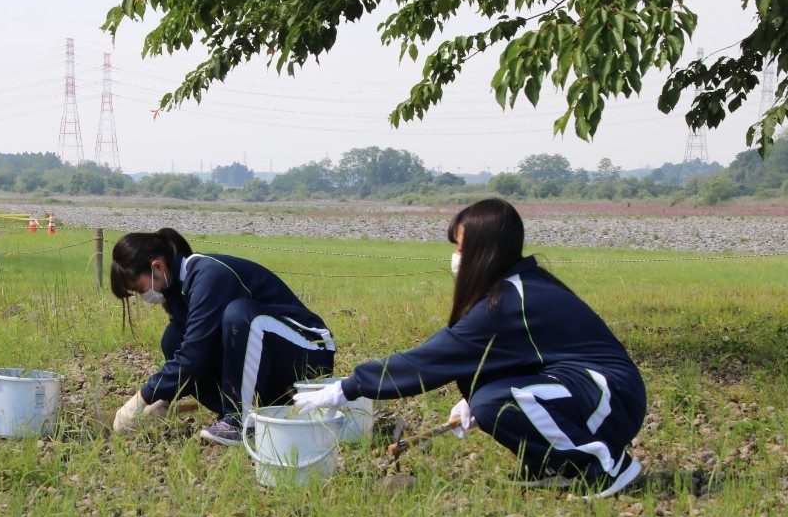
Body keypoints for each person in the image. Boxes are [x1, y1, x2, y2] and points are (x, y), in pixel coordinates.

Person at [294, 198, 646, 497]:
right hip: (586, 390)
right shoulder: (513, 289)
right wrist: (471, 399)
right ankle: (556, 465)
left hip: (609, 397)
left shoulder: (509, 301)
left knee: (496, 400)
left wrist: (347, 387)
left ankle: (603, 467)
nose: (455, 257)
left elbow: (429, 360)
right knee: (483, 393)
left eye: (461, 248)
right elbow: (508, 358)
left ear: (485, 251)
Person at [110, 228, 336, 445]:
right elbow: (192, 350)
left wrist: (141, 399)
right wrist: (164, 399)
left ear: (157, 267)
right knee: (173, 338)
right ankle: (240, 411)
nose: (144, 297)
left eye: (140, 289)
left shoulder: (209, 275)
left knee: (241, 315)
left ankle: (240, 420)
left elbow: (193, 356)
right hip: (272, 366)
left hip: (310, 351)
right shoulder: (178, 291)